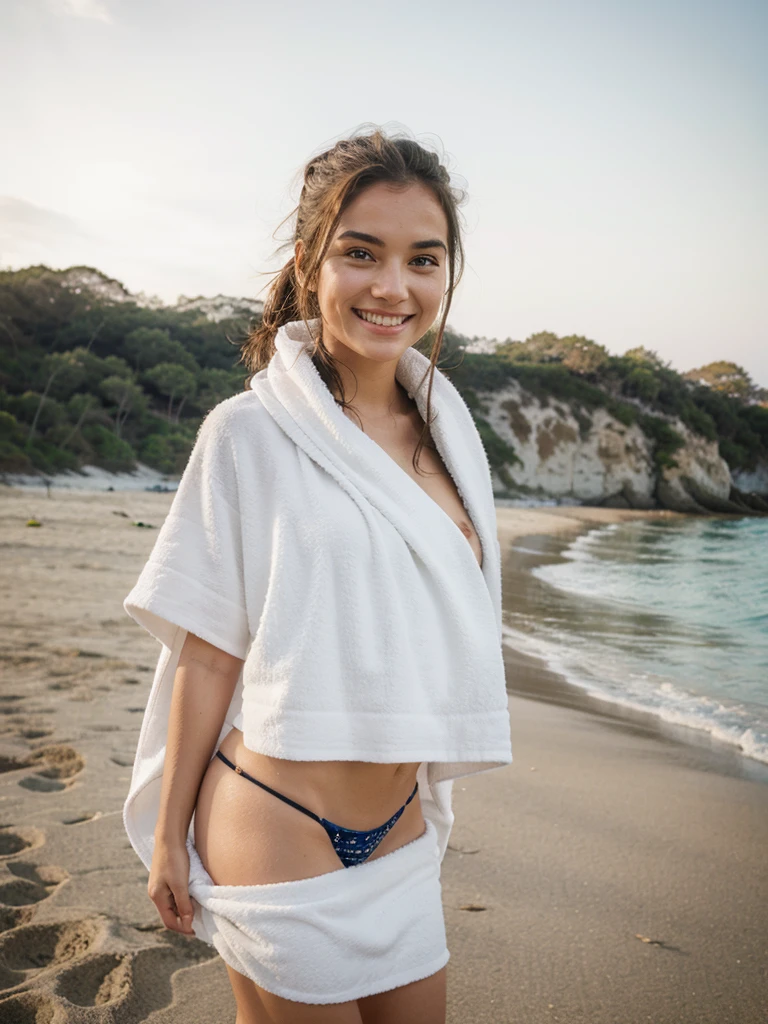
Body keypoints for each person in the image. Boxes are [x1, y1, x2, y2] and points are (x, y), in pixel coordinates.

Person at [122, 126, 513, 1024]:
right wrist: (171, 838)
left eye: (424, 259)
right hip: (275, 820)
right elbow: (209, 645)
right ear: (311, 263)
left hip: (399, 835)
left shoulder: (454, 442)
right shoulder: (247, 433)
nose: (392, 286)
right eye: (361, 253)